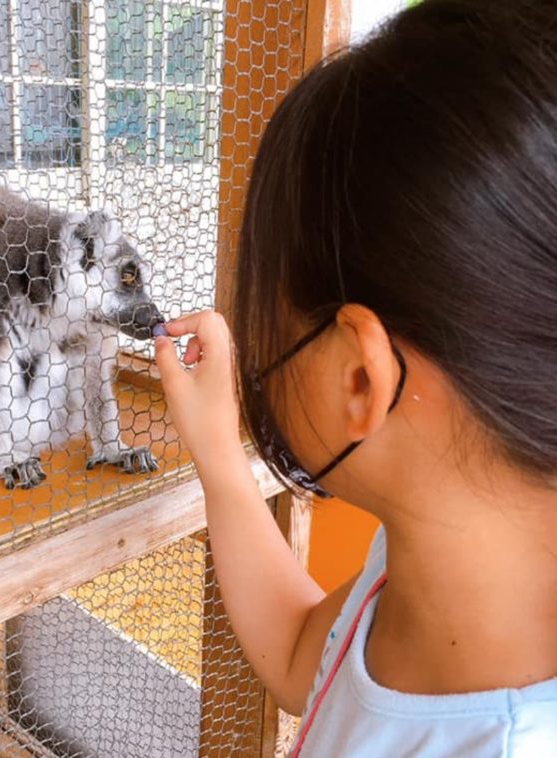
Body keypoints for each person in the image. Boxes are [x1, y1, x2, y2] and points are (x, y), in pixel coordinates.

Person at [154, 0, 557, 754]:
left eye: (265, 310)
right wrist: (217, 448)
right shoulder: (433, 549)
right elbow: (311, 651)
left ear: (360, 381)